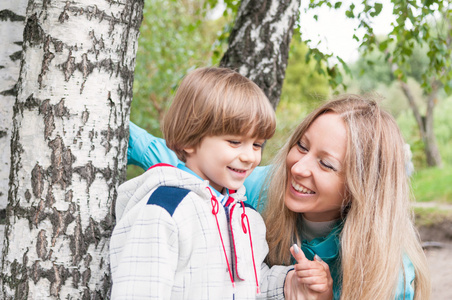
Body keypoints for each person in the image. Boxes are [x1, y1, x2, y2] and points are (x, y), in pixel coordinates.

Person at [126, 94, 431, 299]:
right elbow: (189, 163)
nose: (298, 167)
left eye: (325, 164)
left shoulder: (389, 274)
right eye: (301, 145)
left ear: (363, 188)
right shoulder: (261, 188)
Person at [109, 67, 330, 299]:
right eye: (235, 142)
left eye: (257, 144)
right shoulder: (163, 210)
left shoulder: (247, 218)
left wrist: (289, 283)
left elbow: (249, 284)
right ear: (189, 140)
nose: (249, 157)